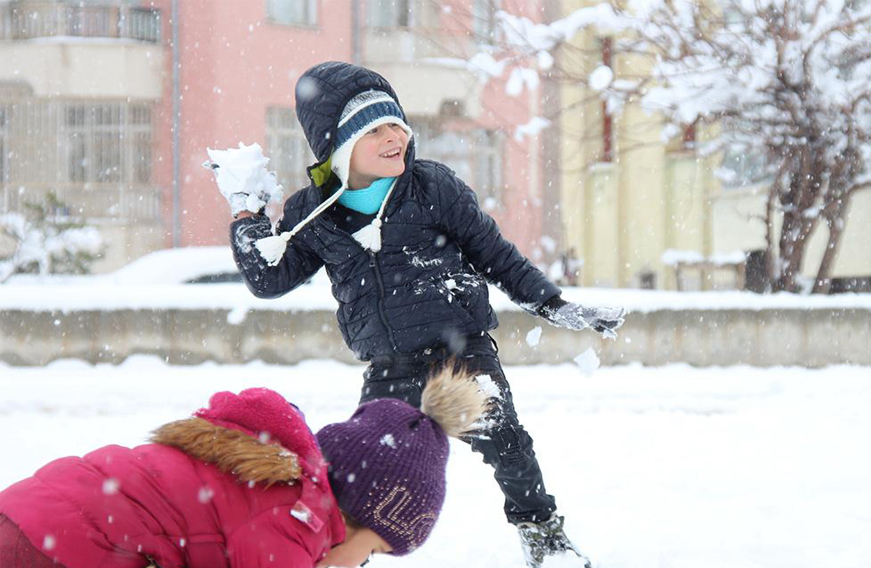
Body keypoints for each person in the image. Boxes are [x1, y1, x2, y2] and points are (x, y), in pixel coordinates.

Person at [224, 61, 623, 568]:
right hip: (389, 364)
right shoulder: (313, 210)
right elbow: (269, 279)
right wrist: (246, 215)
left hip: (461, 354)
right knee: (361, 474)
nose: (394, 138)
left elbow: (495, 254)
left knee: (509, 447)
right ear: (339, 147)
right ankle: (343, 554)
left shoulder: (433, 187)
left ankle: (544, 536)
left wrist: (553, 304)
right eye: (373, 130)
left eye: (396, 123)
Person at [0, 368, 488, 568]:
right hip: (56, 549)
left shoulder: (273, 477)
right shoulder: (297, 522)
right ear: (359, 512)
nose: (361, 564)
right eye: (375, 552)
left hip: (35, 517)